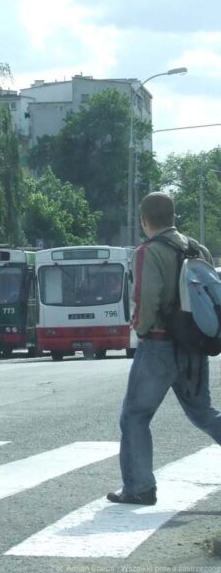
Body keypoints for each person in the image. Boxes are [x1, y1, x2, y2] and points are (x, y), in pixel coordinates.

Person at [107, 192, 221, 505]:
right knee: (203, 413)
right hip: (194, 347)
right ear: (173, 217)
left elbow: (146, 298)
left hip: (158, 346)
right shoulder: (199, 249)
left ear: (144, 220)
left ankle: (139, 488)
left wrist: (141, 331)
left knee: (134, 416)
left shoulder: (148, 252)